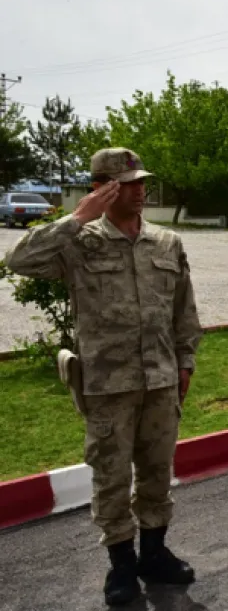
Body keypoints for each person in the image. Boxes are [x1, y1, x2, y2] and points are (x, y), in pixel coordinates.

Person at [4, 148, 203, 607]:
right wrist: (76, 217)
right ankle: (121, 566)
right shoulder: (78, 243)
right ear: (103, 188)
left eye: (140, 181)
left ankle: (154, 553)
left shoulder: (166, 243)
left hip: (160, 382)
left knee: (156, 474)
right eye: (128, 182)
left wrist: (185, 362)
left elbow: (184, 310)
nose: (139, 189)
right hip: (107, 386)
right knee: (111, 479)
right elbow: (18, 261)